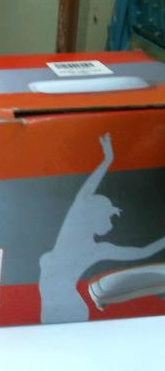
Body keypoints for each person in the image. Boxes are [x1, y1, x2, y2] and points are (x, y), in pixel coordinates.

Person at [39, 133, 165, 323]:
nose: (111, 223)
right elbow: (85, 194)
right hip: (53, 311)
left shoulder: (95, 249)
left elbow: (142, 252)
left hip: (69, 309)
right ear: (91, 216)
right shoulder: (71, 236)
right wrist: (107, 160)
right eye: (108, 217)